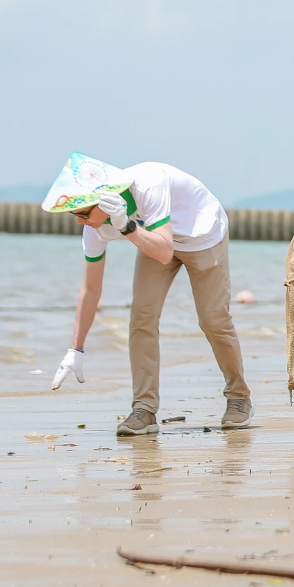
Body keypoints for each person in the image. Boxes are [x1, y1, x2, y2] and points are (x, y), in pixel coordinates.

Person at [43, 153, 250, 437]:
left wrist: (125, 226)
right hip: (152, 237)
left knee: (213, 319)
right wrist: (75, 348)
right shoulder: (94, 228)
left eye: (82, 213)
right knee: (141, 316)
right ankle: (144, 409)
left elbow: (164, 251)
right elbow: (90, 289)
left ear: (105, 200)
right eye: (73, 215)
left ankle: (239, 397)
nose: (79, 222)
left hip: (201, 235)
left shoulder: (149, 184)